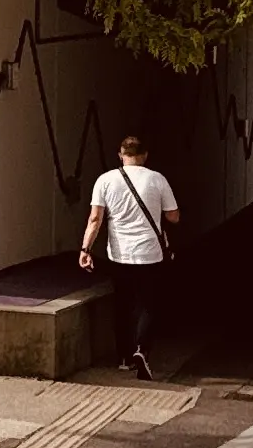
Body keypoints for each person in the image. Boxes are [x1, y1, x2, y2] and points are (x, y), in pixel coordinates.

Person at [77, 133, 181, 379]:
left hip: (119, 255)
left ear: (121, 155)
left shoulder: (105, 180)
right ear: (144, 156)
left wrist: (85, 249)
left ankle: (124, 358)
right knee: (148, 305)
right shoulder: (157, 179)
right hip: (150, 254)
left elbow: (95, 219)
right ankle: (141, 350)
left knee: (123, 305)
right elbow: (174, 217)